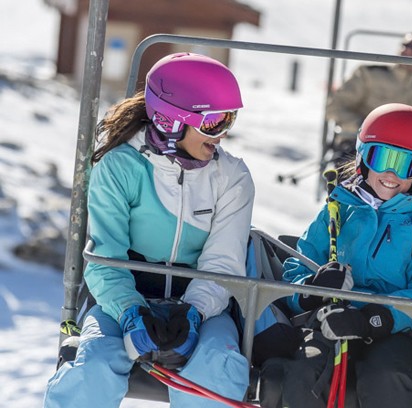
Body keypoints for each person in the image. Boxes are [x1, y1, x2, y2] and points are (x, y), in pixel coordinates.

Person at [44, 53, 255, 407]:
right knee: (93, 368)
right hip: (121, 301)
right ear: (172, 120)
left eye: (228, 119)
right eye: (214, 121)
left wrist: (195, 311)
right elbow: (105, 255)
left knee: (216, 374)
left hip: (205, 308)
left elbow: (224, 260)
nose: (222, 134)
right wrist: (130, 310)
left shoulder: (232, 177)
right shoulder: (120, 167)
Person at [271, 103, 412, 408]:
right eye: (381, 158)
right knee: (305, 370)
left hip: (397, 332)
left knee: (384, 376)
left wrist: (372, 319)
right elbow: (297, 266)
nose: (390, 174)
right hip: (331, 320)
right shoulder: (340, 207)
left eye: (406, 165)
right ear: (362, 157)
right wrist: (314, 288)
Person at [326, 33, 412, 159]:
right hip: (358, 145)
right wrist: (364, 128)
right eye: (405, 45)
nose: (408, 50)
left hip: (403, 155)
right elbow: (335, 106)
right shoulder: (369, 74)